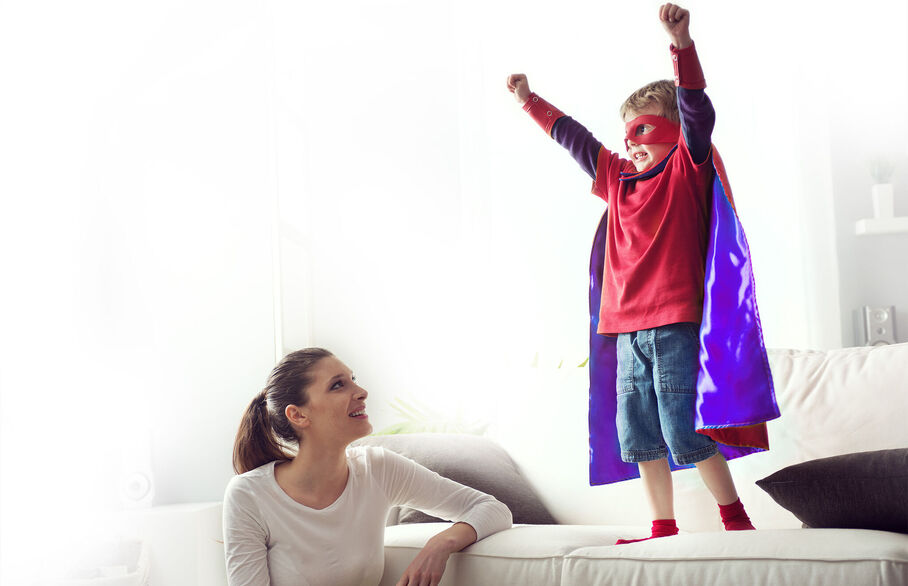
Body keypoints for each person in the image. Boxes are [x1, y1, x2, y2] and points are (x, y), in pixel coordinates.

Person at [506, 3, 779, 544]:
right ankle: (662, 527)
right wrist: (529, 101)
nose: (631, 143)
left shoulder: (685, 169)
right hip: (624, 330)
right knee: (638, 435)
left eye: (644, 130)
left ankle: (736, 520)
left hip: (676, 321)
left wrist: (680, 45)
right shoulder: (616, 180)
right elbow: (577, 140)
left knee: (685, 429)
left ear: (674, 134)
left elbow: (698, 111)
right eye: (627, 135)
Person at [223, 348, 512, 585]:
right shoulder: (249, 495)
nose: (361, 391)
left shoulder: (378, 469)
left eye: (353, 379)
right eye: (338, 385)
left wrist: (441, 544)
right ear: (298, 415)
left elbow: (493, 509)